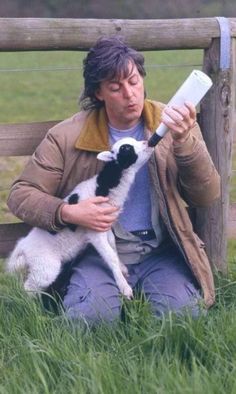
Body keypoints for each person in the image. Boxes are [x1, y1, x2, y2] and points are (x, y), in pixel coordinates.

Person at [7, 36, 220, 323]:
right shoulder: (66, 136)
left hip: (161, 251)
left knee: (182, 320)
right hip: (99, 253)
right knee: (88, 321)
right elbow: (21, 194)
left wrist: (184, 142)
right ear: (98, 93)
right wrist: (67, 212)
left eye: (133, 81)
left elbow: (206, 195)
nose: (130, 94)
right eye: (116, 88)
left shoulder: (172, 125)